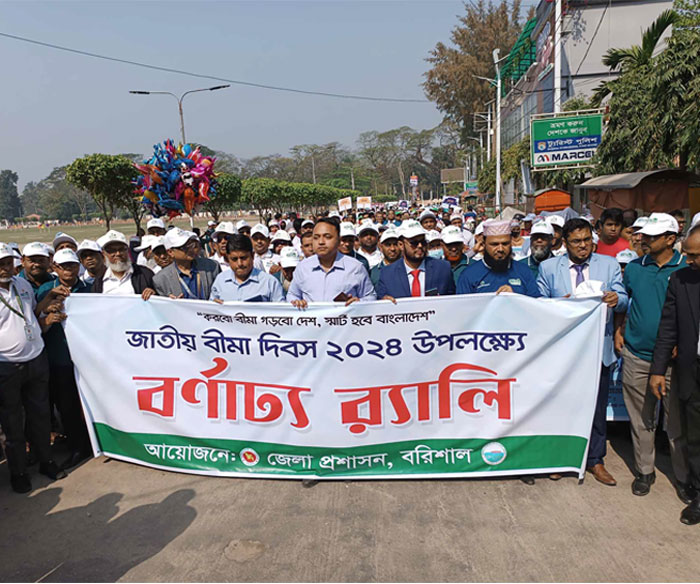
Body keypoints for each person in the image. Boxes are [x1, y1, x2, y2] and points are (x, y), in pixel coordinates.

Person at [537, 217, 628, 486]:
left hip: (598, 348)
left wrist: (616, 298)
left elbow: (624, 299)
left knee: (597, 407)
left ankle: (595, 460)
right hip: (564, 351)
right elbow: (539, 303)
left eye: (587, 240)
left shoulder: (609, 265)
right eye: (576, 241)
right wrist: (558, 304)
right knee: (562, 405)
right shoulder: (549, 268)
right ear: (564, 243)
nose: (583, 246)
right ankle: (560, 458)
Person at [614, 213, 688, 498]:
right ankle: (645, 470)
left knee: (676, 423)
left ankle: (682, 476)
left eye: (652, 236)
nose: (643, 239)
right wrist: (620, 329)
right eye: (643, 234)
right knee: (640, 418)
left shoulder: (686, 269)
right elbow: (624, 301)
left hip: (673, 361)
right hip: (636, 354)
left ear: (671, 239)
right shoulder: (633, 268)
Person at [0, 243, 66, 493]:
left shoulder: (22, 285)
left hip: (36, 359)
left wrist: (48, 300)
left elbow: (32, 312)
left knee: (40, 416)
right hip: (6, 365)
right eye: (1, 264)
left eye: (8, 262)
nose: (5, 268)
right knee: (12, 422)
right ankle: (18, 471)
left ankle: (46, 461)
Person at [650, 225, 700, 524]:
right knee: (694, 437)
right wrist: (658, 370)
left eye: (695, 256)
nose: (689, 260)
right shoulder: (681, 281)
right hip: (692, 371)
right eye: (688, 254)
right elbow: (668, 328)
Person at [36, 249, 92, 469]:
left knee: (89, 403)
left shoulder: (89, 289)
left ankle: (93, 441)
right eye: (63, 266)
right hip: (59, 358)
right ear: (55, 268)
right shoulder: (44, 291)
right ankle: (77, 446)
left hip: (86, 359)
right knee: (67, 407)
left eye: (72, 265)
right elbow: (36, 322)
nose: (69, 270)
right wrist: (48, 315)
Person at [287, 218, 376, 307]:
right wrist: (296, 302)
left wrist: (360, 302)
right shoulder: (303, 267)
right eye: (316, 238)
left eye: (327, 237)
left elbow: (370, 296)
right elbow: (292, 294)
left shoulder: (356, 268)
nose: (321, 242)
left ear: (338, 239)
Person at [457, 220, 539, 297]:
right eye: (494, 244)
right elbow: (463, 309)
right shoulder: (469, 275)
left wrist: (515, 297)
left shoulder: (524, 271)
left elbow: (535, 306)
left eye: (505, 244)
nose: (500, 249)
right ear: (484, 244)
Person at [376, 220, 455, 299]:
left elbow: (451, 299)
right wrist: (384, 302)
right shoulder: (387, 274)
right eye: (414, 243)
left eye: (423, 241)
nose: (420, 246)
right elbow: (381, 300)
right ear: (401, 245)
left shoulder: (443, 268)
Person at [210, 234, 284, 303]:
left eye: (244, 258)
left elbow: (282, 312)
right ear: (228, 258)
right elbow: (209, 310)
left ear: (252, 256)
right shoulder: (220, 280)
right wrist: (214, 307)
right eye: (234, 259)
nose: (239, 264)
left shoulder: (270, 283)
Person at [152, 228, 220, 299]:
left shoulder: (211, 267)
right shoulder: (161, 279)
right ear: (170, 252)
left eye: (191, 245)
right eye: (184, 247)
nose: (190, 249)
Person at [91, 231, 156, 299]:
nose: (118, 254)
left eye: (121, 249)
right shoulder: (99, 282)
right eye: (112, 250)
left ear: (127, 250)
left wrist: (153, 294)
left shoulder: (145, 274)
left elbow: (159, 300)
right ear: (104, 254)